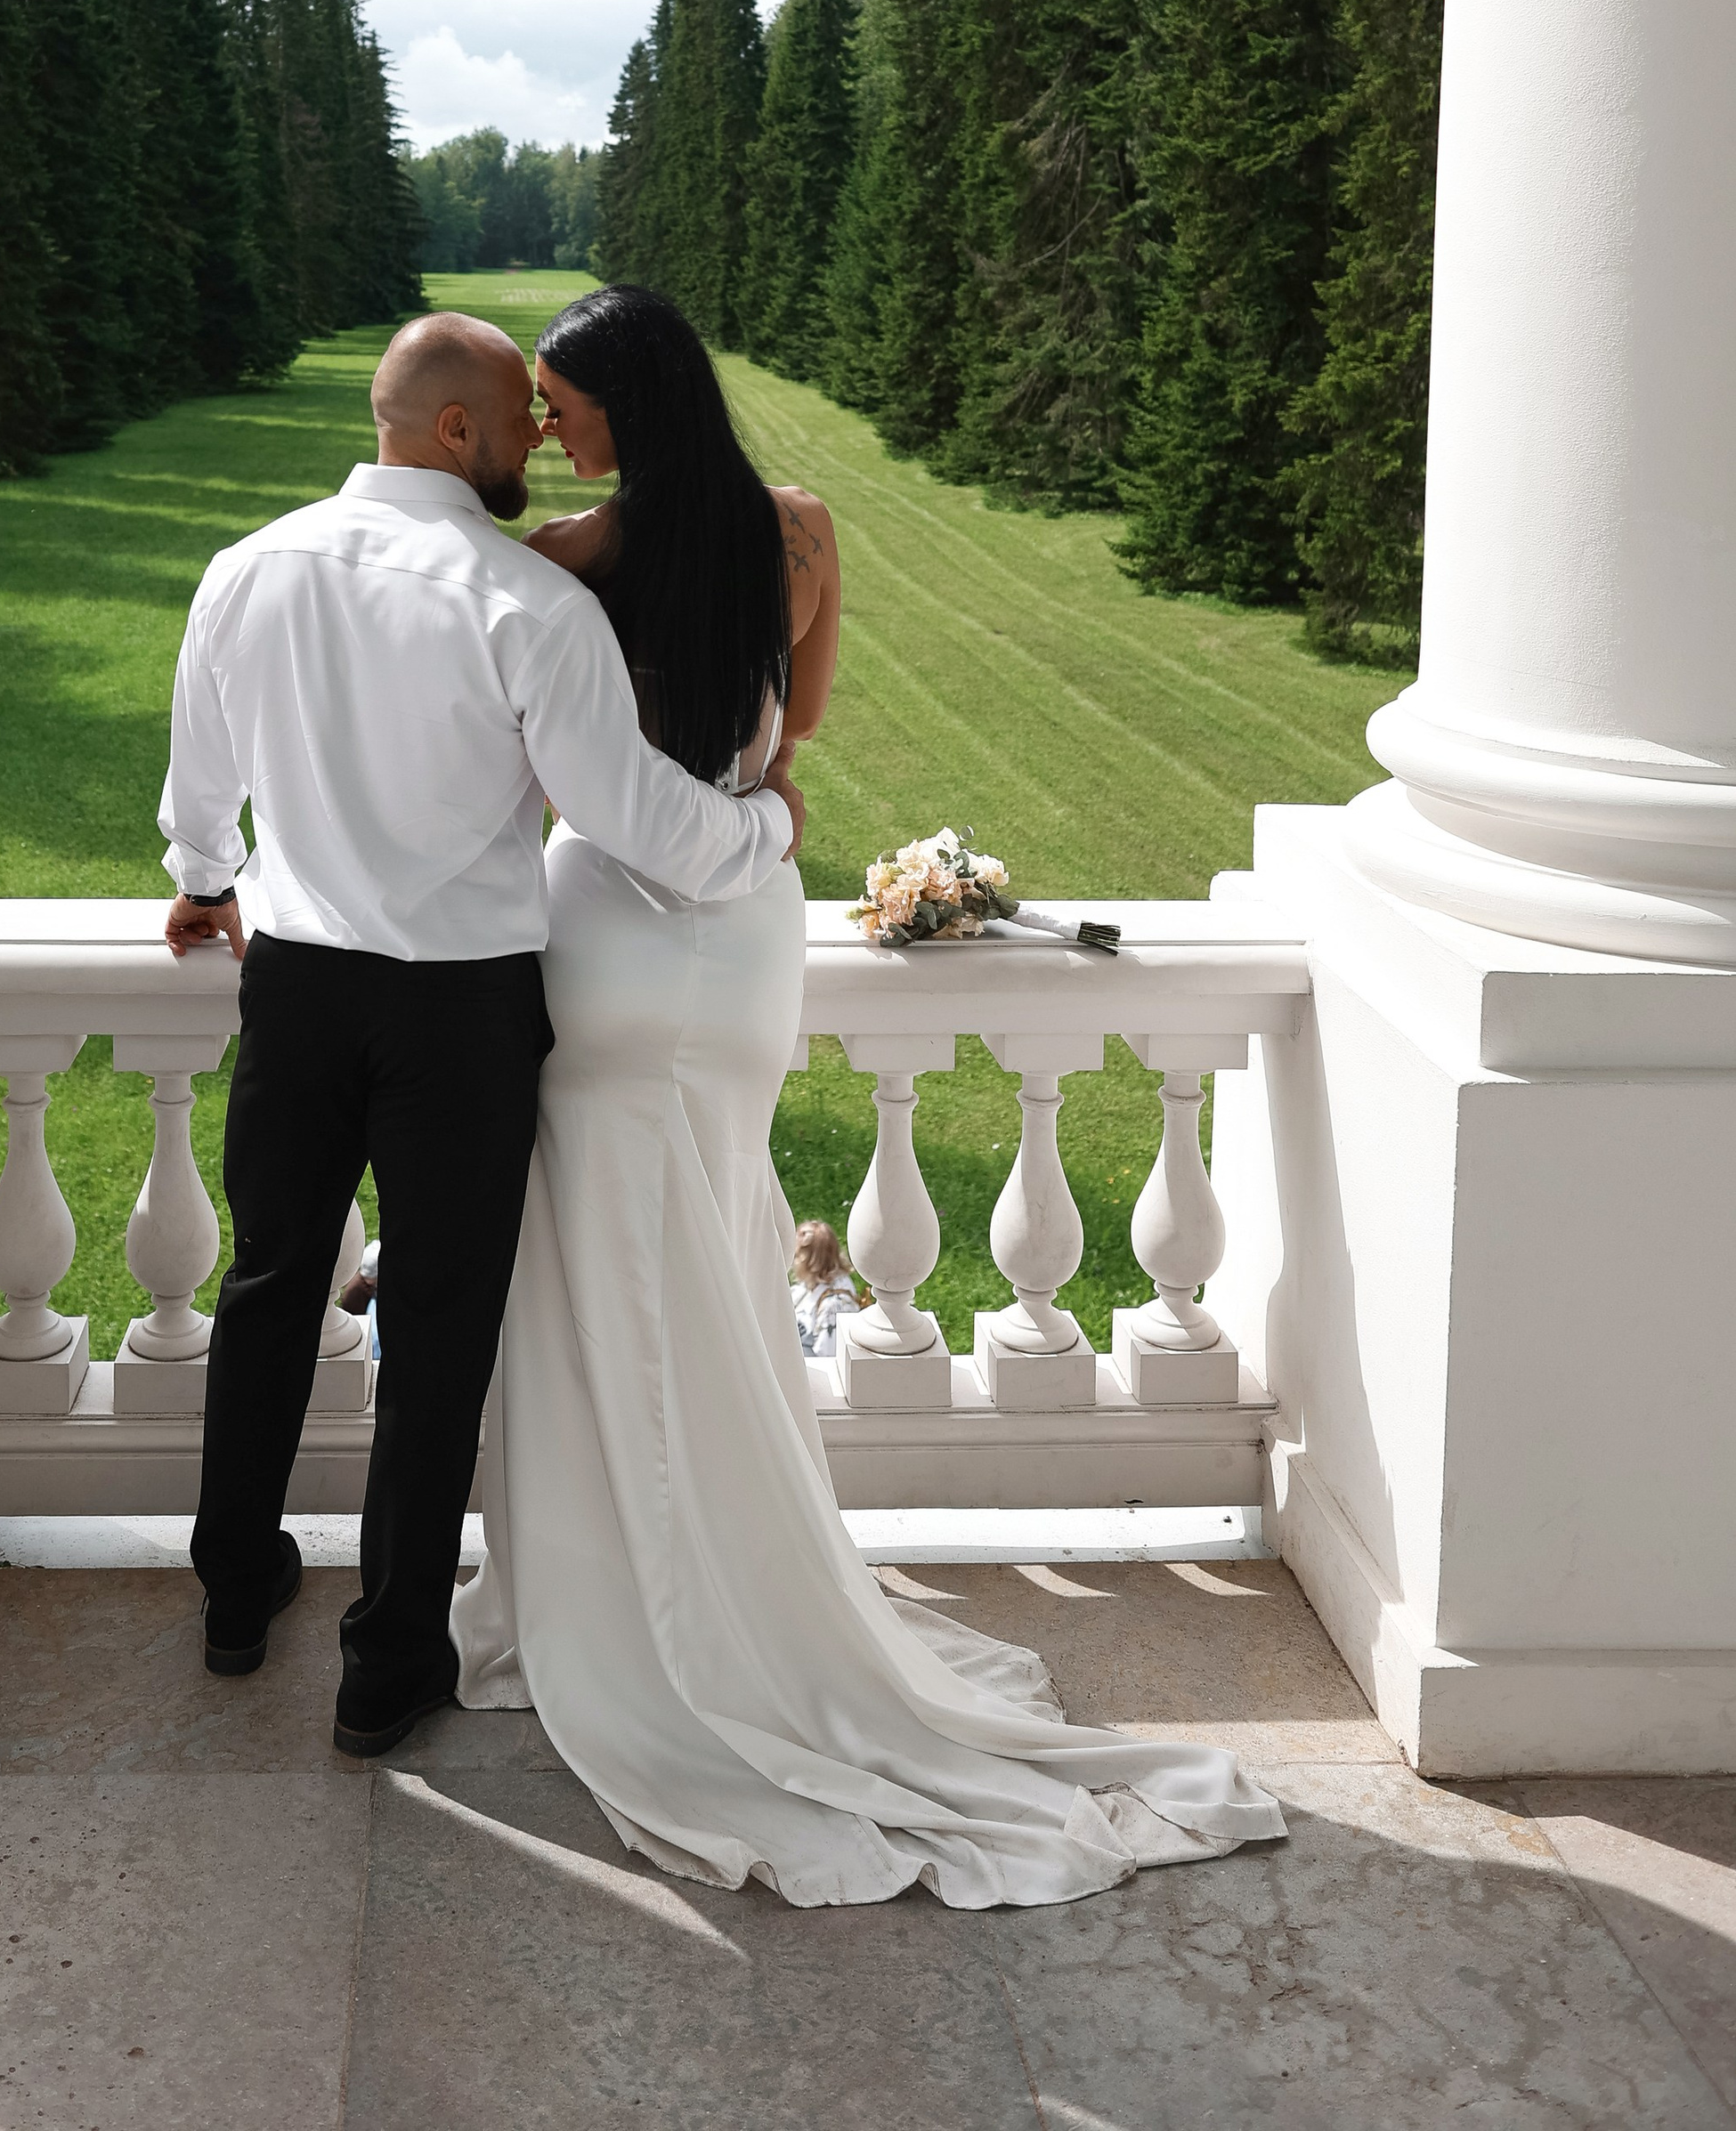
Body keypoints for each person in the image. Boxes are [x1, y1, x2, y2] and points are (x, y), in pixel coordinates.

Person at [451, 281, 1286, 1908]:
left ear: (626, 405)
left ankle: (625, 1593)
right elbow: (802, 730)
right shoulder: (801, 529)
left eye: (563, 404)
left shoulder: (562, 560)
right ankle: (740, 1564)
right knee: (715, 1229)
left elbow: (544, 769)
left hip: (611, 931)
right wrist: (752, 798)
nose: (548, 428)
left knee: (609, 1262)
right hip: (746, 945)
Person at [158, 308, 802, 1758]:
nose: (540, 443)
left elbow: (202, 785)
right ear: (455, 429)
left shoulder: (248, 570)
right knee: (441, 1331)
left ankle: (235, 1589)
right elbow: (639, 824)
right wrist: (767, 825)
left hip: (299, 986)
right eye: (522, 416)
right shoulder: (524, 604)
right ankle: (388, 1662)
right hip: (461, 1006)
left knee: (268, 1285)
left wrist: (204, 883)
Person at [790, 1218, 862, 1358]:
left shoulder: (835, 1305)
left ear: (809, 1260)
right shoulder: (807, 1286)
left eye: (796, 1256)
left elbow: (827, 1358)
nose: (793, 1262)